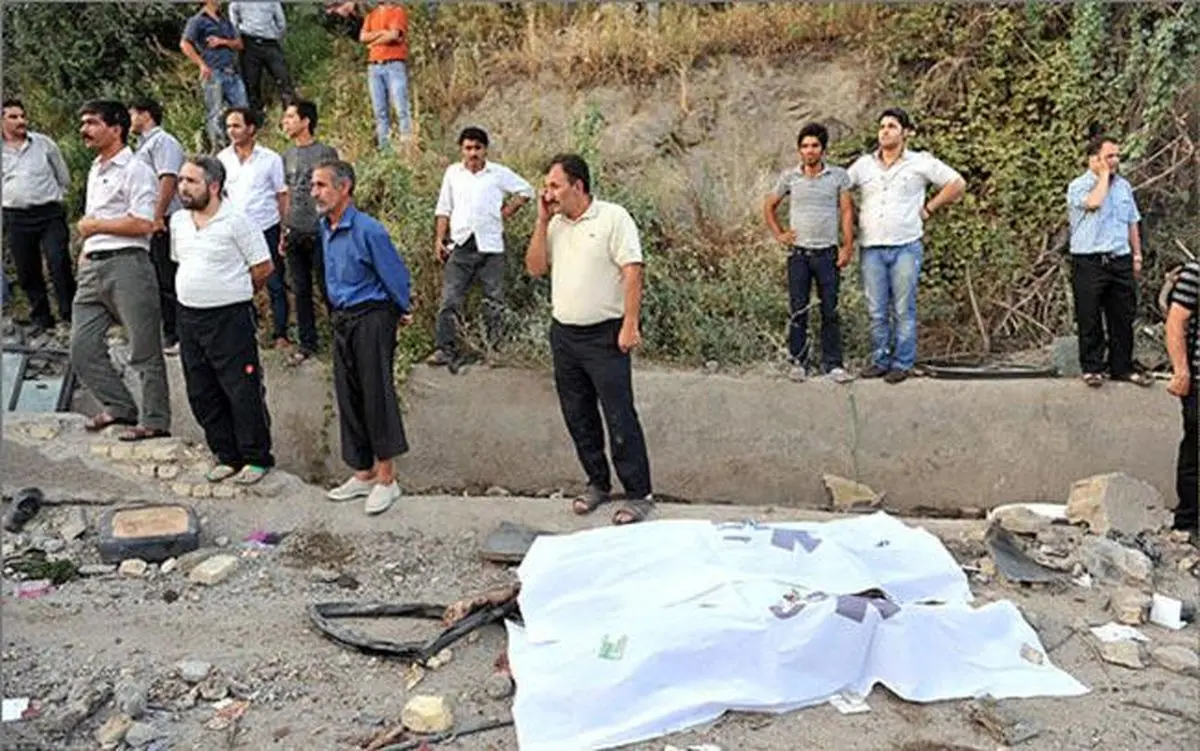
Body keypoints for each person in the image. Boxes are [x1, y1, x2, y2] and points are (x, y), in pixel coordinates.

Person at [525, 153, 653, 525]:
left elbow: (633, 272)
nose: (547, 193)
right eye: (547, 186)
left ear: (577, 186)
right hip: (565, 335)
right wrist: (541, 220)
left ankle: (638, 493)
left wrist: (630, 324)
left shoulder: (613, 217)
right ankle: (597, 483)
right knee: (578, 414)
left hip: (605, 335)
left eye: (554, 185)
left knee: (619, 415)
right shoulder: (555, 224)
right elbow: (534, 269)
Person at [313, 160, 413, 516]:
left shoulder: (369, 230)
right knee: (349, 395)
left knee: (376, 395)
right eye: (314, 185)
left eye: (322, 185)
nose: (315, 192)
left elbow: (394, 274)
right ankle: (364, 473)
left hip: (372, 315)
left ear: (344, 188)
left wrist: (402, 308)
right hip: (342, 318)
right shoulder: (325, 227)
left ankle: (388, 480)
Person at [172, 156, 276, 485]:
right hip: (189, 317)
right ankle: (226, 455)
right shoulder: (178, 221)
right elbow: (182, 261)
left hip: (230, 319)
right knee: (201, 390)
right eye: (181, 181)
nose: (183, 188)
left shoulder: (238, 221)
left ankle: (256, 457)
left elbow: (263, 267)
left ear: (214, 186)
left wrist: (235, 290)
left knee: (242, 389)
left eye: (191, 182)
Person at [71, 100, 171, 442]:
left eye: (92, 123)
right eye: (83, 123)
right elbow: (91, 219)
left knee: (143, 347)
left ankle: (155, 420)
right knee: (81, 347)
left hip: (128, 262)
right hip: (93, 266)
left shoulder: (136, 168)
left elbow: (144, 222)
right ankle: (119, 407)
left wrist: (95, 227)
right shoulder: (95, 169)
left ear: (116, 128)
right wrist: (87, 247)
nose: (84, 129)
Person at [845, 108, 965, 384]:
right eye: (882, 126)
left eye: (892, 126)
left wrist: (929, 208)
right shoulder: (864, 165)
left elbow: (957, 183)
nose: (885, 131)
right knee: (876, 309)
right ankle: (880, 359)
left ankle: (902, 363)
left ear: (905, 132)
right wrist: (852, 215)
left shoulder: (920, 162)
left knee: (903, 308)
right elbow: (840, 188)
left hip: (905, 246)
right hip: (872, 247)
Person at [428, 126, 533, 366]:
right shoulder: (453, 173)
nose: (473, 153)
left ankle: (494, 351)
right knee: (451, 299)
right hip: (461, 244)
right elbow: (444, 208)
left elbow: (526, 190)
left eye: (477, 148)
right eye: (468, 148)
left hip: (491, 245)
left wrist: (507, 211)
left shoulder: (497, 173)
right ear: (461, 150)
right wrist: (439, 239)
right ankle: (446, 348)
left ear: (485, 150)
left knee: (493, 299)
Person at [763, 122, 854, 383]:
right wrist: (780, 234)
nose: (810, 150)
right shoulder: (790, 177)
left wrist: (847, 246)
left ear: (823, 149)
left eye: (814, 145)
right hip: (799, 255)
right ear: (799, 150)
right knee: (798, 309)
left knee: (830, 310)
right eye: (805, 146)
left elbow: (847, 211)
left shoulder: (838, 176)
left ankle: (833, 364)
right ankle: (798, 361)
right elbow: (769, 206)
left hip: (827, 253)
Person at [1066, 132, 1152, 388]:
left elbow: (1132, 221)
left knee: (1123, 316)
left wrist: (1136, 254)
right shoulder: (1079, 186)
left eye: (1117, 156)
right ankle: (1092, 368)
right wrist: (1103, 176)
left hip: (1119, 258)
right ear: (1094, 159)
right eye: (1109, 156)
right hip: (1089, 260)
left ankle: (1121, 367)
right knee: (1089, 316)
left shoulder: (1124, 186)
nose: (1115, 161)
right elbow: (1093, 203)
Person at [217, 107, 289, 348]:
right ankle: (249, 329)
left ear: (251, 128)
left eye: (236, 126)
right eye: (228, 126)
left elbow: (281, 195)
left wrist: (283, 228)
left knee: (275, 281)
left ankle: (281, 334)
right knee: (239, 281)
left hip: (266, 226)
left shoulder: (270, 159)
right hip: (236, 230)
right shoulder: (222, 159)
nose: (232, 131)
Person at [1, 98, 75, 335]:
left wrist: (60, 196)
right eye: (13, 117)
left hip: (49, 213)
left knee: (58, 261)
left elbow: (63, 175)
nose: (21, 121)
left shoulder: (43, 144)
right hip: (16, 216)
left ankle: (70, 315)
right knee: (27, 269)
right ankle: (42, 318)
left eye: (22, 116)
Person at [281, 100, 339, 363]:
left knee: (328, 287)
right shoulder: (286, 155)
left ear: (306, 121)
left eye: (291, 117)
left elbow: (335, 190)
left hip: (320, 230)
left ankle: (341, 338)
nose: (286, 122)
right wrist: (284, 228)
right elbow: (286, 194)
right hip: (294, 229)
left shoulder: (325, 152)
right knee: (300, 289)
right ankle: (307, 343)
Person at [129, 97, 187, 354]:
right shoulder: (143, 145)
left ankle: (178, 333)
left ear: (146, 115)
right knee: (158, 277)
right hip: (151, 220)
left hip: (165, 219)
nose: (129, 120)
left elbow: (168, 178)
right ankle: (169, 329)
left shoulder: (163, 142)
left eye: (132, 114)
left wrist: (158, 215)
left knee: (169, 276)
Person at [181, 1, 248, 150]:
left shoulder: (225, 20)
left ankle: (243, 145)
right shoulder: (197, 20)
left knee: (242, 110)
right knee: (215, 113)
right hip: (213, 72)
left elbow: (239, 44)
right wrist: (201, 64)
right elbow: (185, 44)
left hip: (231, 71)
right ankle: (220, 149)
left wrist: (222, 41)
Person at [1165, 260, 1199, 541]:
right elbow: (1176, 321)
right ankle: (1189, 522)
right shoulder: (1195, 271)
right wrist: (1181, 370)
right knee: (1196, 451)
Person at [360, 1, 413, 149]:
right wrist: (382, 33)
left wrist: (373, 42)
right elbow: (363, 36)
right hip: (374, 66)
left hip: (394, 64)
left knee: (401, 107)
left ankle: (408, 146)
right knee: (380, 112)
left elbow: (394, 35)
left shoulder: (397, 11)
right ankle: (385, 149)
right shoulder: (372, 14)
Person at [229, 1, 295, 114]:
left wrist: (275, 36)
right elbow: (233, 23)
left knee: (283, 79)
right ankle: (257, 120)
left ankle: (290, 114)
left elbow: (281, 23)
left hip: (270, 43)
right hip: (249, 43)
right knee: (251, 84)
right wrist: (239, 38)